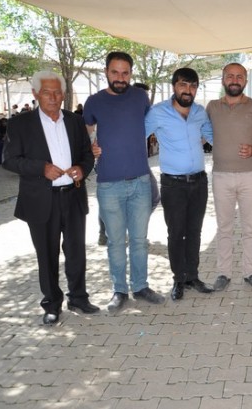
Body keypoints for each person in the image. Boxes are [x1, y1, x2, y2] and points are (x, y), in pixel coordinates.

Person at [2, 71, 98, 324]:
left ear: (63, 95)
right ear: (35, 94)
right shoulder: (20, 124)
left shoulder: (74, 121)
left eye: (57, 92)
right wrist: (41, 168)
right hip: (41, 200)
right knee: (47, 254)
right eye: (47, 92)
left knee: (76, 252)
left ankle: (78, 298)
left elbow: (87, 154)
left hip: (73, 197)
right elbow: (9, 160)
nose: (53, 98)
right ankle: (52, 304)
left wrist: (82, 169)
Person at [84, 51, 165, 313]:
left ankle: (140, 286)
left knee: (139, 240)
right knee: (116, 242)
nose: (120, 78)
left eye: (125, 73)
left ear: (131, 73)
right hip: (109, 185)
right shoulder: (94, 102)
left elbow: (152, 123)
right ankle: (119, 290)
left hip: (140, 181)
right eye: (115, 72)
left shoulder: (140, 97)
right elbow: (84, 134)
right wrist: (90, 147)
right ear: (106, 72)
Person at [145, 67, 214, 301]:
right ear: (174, 86)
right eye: (183, 84)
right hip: (173, 185)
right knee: (176, 233)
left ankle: (192, 276)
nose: (188, 90)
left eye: (193, 86)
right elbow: (136, 136)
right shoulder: (158, 112)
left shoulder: (200, 113)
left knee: (195, 232)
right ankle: (178, 279)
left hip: (199, 182)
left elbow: (214, 137)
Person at [207, 63, 252, 292]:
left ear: (245, 80)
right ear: (223, 79)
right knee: (223, 227)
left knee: (250, 228)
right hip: (220, 176)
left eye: (239, 77)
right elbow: (202, 133)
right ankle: (223, 273)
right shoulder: (212, 107)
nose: (235, 80)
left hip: (249, 176)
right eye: (230, 76)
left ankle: (250, 272)